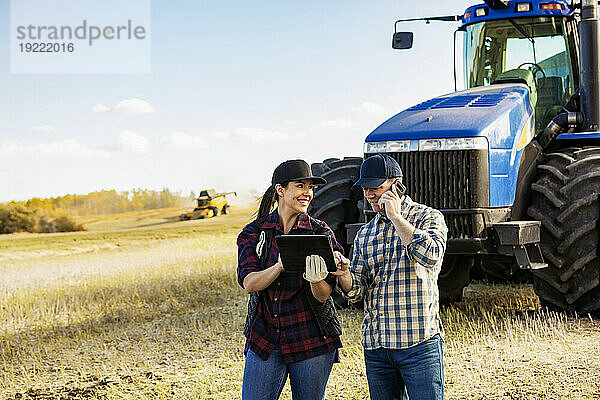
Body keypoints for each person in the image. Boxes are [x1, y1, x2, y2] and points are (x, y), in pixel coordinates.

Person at [334, 154, 448, 400]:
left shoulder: (428, 217)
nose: (369, 194)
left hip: (418, 345)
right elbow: (357, 292)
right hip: (377, 348)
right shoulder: (365, 233)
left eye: (375, 187)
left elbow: (431, 256)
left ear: (396, 184)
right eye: (365, 188)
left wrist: (396, 217)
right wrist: (344, 274)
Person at [237, 159, 347, 400]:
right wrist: (279, 266)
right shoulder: (254, 233)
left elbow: (323, 295)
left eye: (310, 187)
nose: (307, 193)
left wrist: (316, 279)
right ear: (280, 190)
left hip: (310, 338)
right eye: (300, 186)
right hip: (266, 339)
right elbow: (249, 283)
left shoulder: (320, 233)